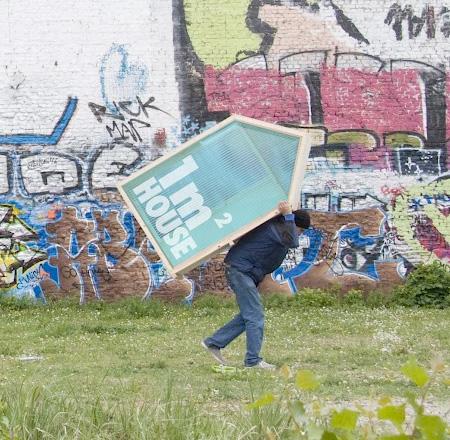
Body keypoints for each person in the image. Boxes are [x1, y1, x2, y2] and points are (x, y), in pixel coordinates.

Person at [202, 201, 311, 369]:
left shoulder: (278, 228)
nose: (300, 234)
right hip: (240, 271)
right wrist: (289, 215)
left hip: (243, 272)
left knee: (249, 315)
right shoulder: (277, 230)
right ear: (292, 224)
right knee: (255, 316)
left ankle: (214, 342)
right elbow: (293, 241)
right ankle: (252, 361)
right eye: (301, 230)